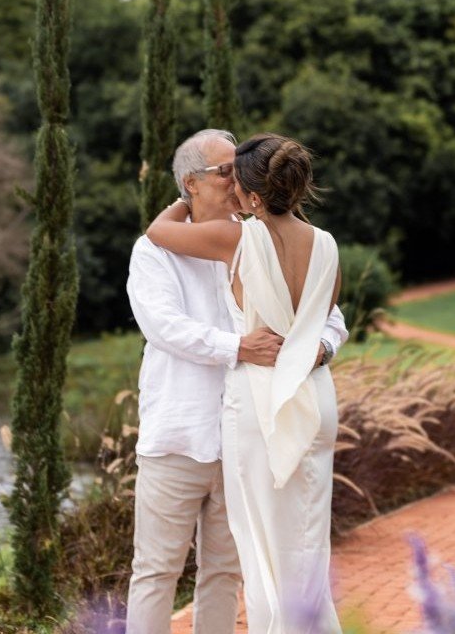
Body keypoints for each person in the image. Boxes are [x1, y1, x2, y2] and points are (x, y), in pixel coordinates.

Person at [125, 129, 347, 634]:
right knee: (156, 571)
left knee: (227, 571)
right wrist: (238, 347)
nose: (235, 179)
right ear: (191, 182)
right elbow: (163, 327)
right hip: (179, 431)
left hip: (250, 432)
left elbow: (328, 317)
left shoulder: (252, 236)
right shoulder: (154, 252)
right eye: (224, 170)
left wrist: (320, 348)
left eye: (240, 169)